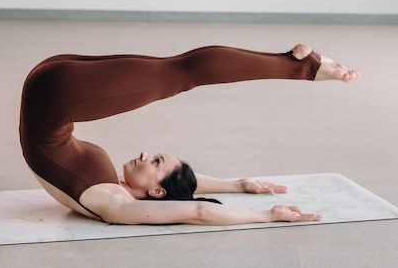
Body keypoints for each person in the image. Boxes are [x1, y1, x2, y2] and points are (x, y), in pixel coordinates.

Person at [19, 42, 359, 225]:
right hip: (48, 83)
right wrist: (237, 184)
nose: (142, 154)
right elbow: (185, 187)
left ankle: (303, 66)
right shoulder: (123, 189)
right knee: (178, 66)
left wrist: (265, 217)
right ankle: (298, 65)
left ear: (154, 190)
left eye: (154, 161)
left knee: (184, 72)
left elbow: (197, 211)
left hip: (54, 93)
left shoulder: (116, 205)